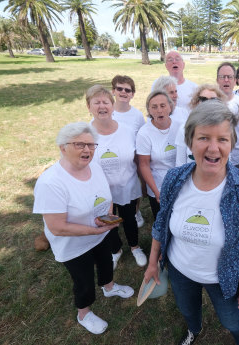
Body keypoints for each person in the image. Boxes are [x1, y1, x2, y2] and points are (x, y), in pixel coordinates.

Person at [144, 100, 239, 345]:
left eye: (222, 139)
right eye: (203, 138)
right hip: (180, 270)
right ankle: (194, 330)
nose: (213, 148)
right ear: (189, 141)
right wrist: (153, 262)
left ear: (232, 143)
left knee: (233, 321)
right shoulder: (174, 178)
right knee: (188, 311)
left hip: (223, 278)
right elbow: (161, 223)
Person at [33, 122, 134, 335]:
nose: (87, 150)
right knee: (84, 280)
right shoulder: (50, 183)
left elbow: (106, 196)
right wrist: (94, 230)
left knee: (106, 263)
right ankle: (84, 313)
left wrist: (105, 218)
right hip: (74, 246)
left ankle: (109, 287)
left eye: (91, 145)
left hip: (99, 233)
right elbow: (57, 227)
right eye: (79, 144)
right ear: (62, 147)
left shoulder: (94, 166)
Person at [87, 85, 148, 270]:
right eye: (96, 102)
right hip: (100, 190)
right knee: (108, 221)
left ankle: (135, 247)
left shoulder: (128, 130)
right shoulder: (85, 133)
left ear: (112, 106)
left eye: (105, 102)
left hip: (126, 185)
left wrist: (142, 184)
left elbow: (138, 158)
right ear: (89, 107)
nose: (102, 106)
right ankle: (116, 250)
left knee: (129, 219)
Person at [136, 90, 182, 220]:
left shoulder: (181, 126)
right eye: (154, 107)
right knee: (162, 223)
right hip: (158, 186)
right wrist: (157, 193)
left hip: (180, 184)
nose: (159, 110)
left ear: (170, 107)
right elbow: (144, 165)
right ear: (149, 110)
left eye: (163, 105)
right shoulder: (144, 133)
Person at [110, 75, 147, 230]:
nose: (123, 92)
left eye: (128, 90)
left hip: (132, 156)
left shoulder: (137, 115)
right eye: (120, 88)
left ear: (132, 94)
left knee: (134, 185)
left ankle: (135, 212)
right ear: (113, 91)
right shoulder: (108, 111)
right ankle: (112, 214)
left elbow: (142, 135)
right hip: (111, 157)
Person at [175, 84, 227, 166]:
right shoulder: (184, 129)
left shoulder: (225, 128)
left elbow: (227, 161)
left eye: (213, 100)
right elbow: (180, 164)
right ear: (196, 102)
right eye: (203, 99)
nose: (208, 103)